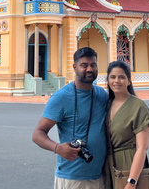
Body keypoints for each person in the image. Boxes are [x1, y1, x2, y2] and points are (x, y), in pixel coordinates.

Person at [33, 47, 109, 189]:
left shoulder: (102, 95)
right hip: (71, 178)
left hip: (99, 176)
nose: (89, 69)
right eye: (84, 65)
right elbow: (37, 134)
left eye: (93, 65)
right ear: (75, 67)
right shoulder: (61, 97)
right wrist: (57, 148)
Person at [105, 60, 149, 189]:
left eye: (122, 77)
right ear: (108, 80)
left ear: (129, 81)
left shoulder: (138, 107)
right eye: (113, 77)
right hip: (110, 167)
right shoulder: (107, 105)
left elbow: (142, 148)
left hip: (129, 167)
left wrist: (131, 182)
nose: (116, 81)